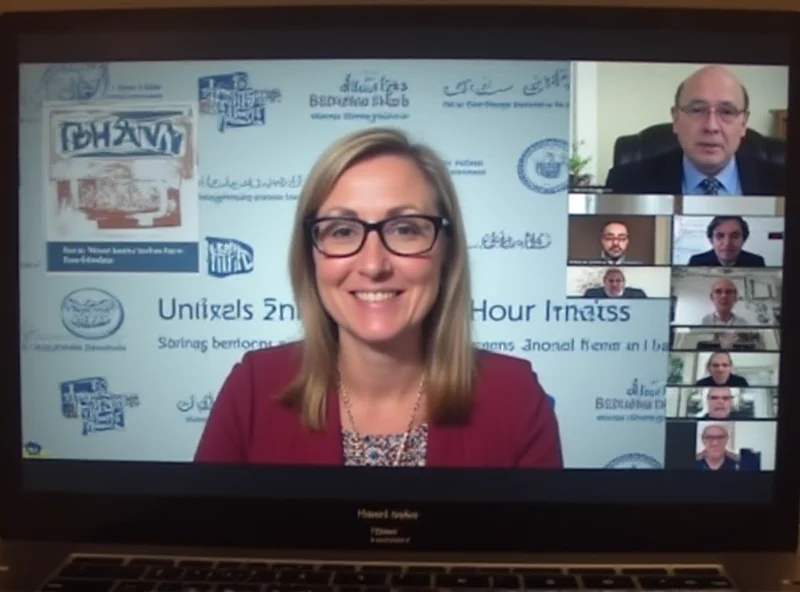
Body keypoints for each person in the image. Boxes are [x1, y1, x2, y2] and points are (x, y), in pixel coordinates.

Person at [194, 127, 563, 468]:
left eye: (405, 229)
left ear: (446, 251)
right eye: (342, 230)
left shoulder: (514, 396)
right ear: (311, 254)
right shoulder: (254, 390)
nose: (373, 265)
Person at [606, 65, 785, 197]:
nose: (711, 126)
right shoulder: (627, 183)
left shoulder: (783, 184)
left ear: (744, 123)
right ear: (675, 119)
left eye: (727, 112)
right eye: (697, 110)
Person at [687, 216, 765, 267]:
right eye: (720, 236)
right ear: (711, 240)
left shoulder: (756, 263)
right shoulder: (696, 262)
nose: (727, 243)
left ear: (744, 239)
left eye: (734, 236)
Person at [582, 268, 647, 299]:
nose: (614, 284)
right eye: (611, 281)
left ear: (624, 283)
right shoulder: (591, 294)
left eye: (618, 281)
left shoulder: (638, 295)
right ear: (604, 282)